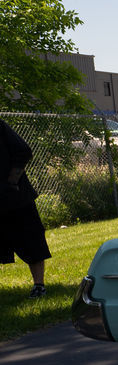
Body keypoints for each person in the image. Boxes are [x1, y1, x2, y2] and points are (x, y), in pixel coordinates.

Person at [1, 119, 52, 298]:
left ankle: (39, 285)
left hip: (15, 196)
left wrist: (12, 182)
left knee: (31, 239)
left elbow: (23, 151)